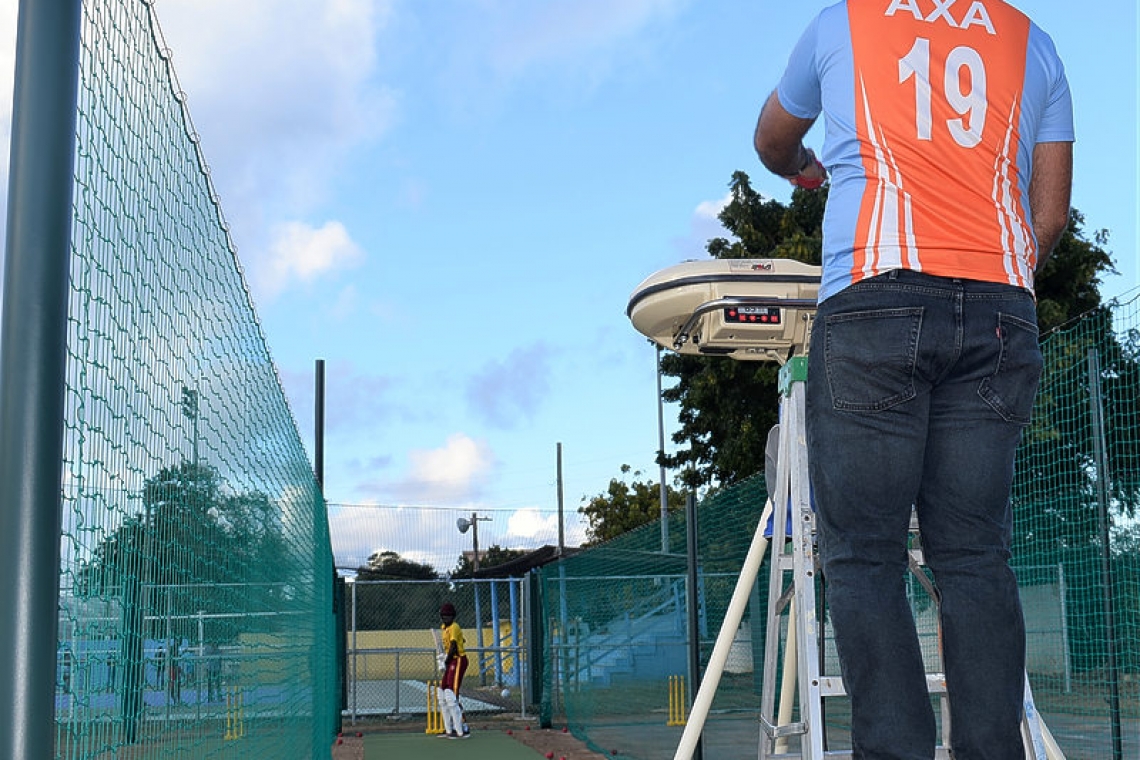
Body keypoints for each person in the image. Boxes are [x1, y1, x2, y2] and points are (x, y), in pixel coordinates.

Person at [753, 3, 1073, 759]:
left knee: (864, 557)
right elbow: (1049, 215)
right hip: (999, 306)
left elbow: (770, 139)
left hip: (874, 296)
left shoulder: (843, 23)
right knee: (974, 557)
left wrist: (803, 169)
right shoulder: (1035, 41)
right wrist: (1002, 284)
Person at [436, 602, 471, 739]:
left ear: (453, 616)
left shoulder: (454, 627)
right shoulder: (444, 628)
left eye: (448, 616)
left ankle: (463, 727)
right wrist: (443, 657)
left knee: (452, 694)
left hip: (458, 660)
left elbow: (454, 647)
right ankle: (449, 728)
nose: (446, 618)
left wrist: (446, 660)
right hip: (451, 660)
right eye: (444, 616)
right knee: (443, 691)